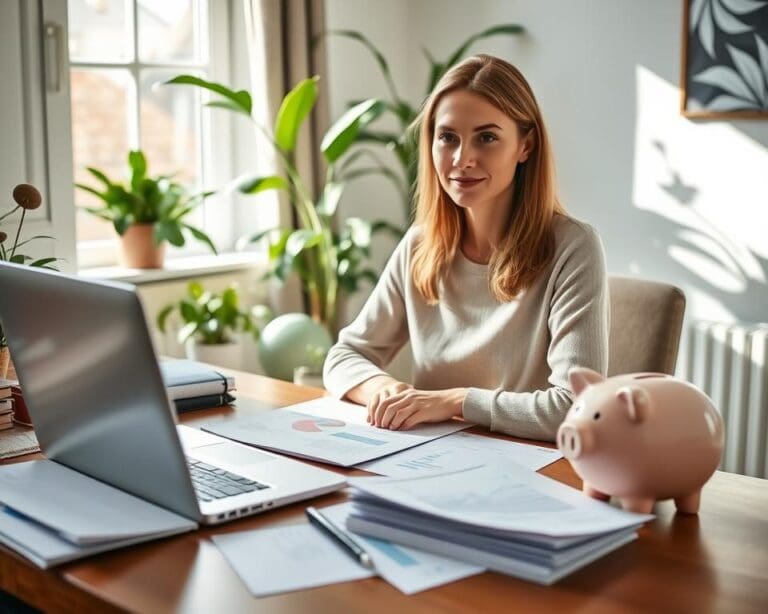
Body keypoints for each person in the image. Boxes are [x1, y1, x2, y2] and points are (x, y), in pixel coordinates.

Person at [323, 54, 608, 442]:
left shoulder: (574, 248)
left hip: (529, 472)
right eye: (448, 138)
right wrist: (383, 389)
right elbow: (344, 356)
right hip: (425, 464)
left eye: (486, 137)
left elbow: (576, 406)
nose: (462, 159)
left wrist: (457, 401)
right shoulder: (420, 246)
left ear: (526, 145)